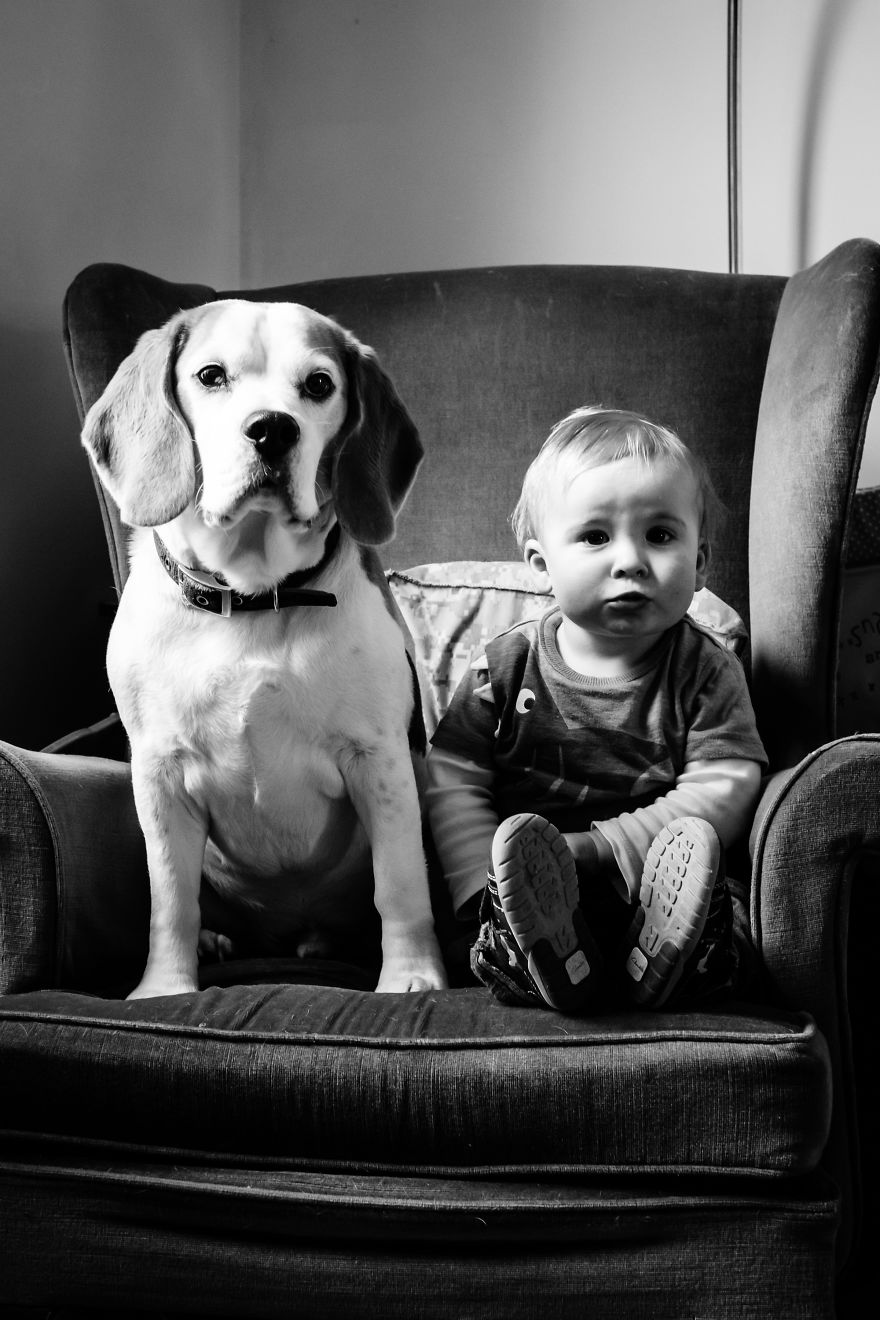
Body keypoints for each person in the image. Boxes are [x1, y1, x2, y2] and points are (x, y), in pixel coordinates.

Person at [425, 406, 767, 1012]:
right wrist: (486, 887)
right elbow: (453, 778)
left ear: (701, 560)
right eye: (595, 537)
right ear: (541, 566)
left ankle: (667, 963)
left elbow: (727, 784)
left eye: (661, 535)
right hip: (531, 891)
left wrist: (603, 848)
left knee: (733, 923)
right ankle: (549, 963)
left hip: (660, 887)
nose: (631, 560)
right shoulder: (501, 668)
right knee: (491, 944)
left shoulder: (707, 670)